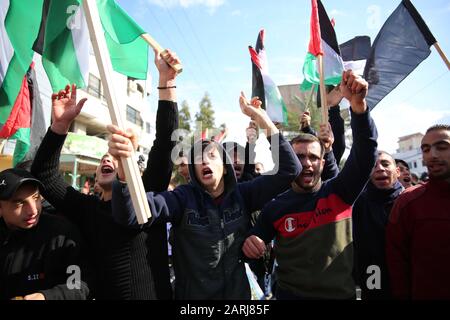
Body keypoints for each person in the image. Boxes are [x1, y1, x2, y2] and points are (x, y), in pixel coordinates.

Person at [108, 92, 301, 299]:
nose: (205, 161)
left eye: (211, 155)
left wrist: (263, 121)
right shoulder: (181, 199)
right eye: (198, 158)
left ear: (225, 168)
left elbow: (290, 169)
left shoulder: (243, 195)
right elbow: (130, 214)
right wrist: (123, 169)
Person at [31, 49, 180, 299]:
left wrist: (166, 82)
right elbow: (44, 176)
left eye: (114, 156)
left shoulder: (146, 198)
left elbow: (166, 144)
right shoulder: (87, 209)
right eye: (103, 159)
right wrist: (59, 127)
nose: (108, 159)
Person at [242, 70, 378, 299]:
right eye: (299, 157)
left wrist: (359, 107)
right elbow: (253, 248)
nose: (306, 163)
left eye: (313, 158)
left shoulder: (340, 192)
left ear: (323, 163)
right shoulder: (274, 207)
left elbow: (365, 154)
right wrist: (250, 245)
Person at [0, 168, 89, 300]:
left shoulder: (62, 234)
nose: (33, 210)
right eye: (20, 203)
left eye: (36, 198)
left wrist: (46, 297)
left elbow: (79, 284)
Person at [386, 124, 450, 299]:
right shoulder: (407, 203)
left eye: (442, 147)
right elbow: (397, 264)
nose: (433, 155)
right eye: (426, 149)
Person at [352, 151, 404, 300]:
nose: (380, 168)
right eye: (374, 166)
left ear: (397, 171)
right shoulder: (359, 203)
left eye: (385, 164)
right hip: (373, 275)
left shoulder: (409, 201)